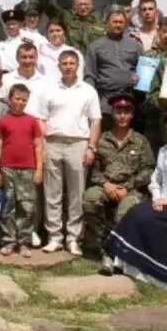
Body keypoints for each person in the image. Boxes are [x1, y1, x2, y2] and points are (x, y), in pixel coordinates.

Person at [105, 107, 167, 288]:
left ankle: (161, 271)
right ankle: (119, 259)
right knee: (134, 212)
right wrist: (157, 197)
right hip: (162, 200)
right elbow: (156, 178)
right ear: (166, 126)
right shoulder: (163, 150)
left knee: (144, 217)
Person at [36, 50, 102, 254]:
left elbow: (95, 120)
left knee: (76, 193)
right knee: (52, 192)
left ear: (78, 65)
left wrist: (91, 146)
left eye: (72, 63)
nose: (68, 66)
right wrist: (43, 146)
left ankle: (73, 237)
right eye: (64, 63)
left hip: (78, 143)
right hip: (53, 142)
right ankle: (54, 236)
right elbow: (41, 120)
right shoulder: (49, 90)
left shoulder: (88, 91)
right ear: (58, 66)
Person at [82, 95, 155, 255]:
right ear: (112, 113)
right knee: (90, 199)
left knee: (125, 210)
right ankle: (98, 241)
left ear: (132, 114)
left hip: (131, 189)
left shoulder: (140, 141)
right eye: (118, 111)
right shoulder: (102, 140)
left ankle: (119, 250)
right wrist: (106, 185)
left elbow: (148, 170)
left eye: (127, 112)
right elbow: (94, 169)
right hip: (105, 186)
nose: (122, 116)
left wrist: (127, 187)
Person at [0, 82, 44, 257]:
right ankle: (8, 241)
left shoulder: (32, 121)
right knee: (8, 205)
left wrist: (39, 170)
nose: (20, 102)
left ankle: (24, 242)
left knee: (27, 206)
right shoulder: (2, 121)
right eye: (17, 98)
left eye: (24, 100)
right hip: (7, 168)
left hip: (28, 169)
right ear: (9, 99)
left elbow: (38, 146)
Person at [86, 8, 144, 111]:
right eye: (115, 22)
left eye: (121, 22)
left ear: (125, 24)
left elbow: (144, 71)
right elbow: (89, 75)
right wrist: (91, 99)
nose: (118, 25)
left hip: (129, 97)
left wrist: (139, 79)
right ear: (107, 23)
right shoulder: (95, 46)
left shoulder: (136, 46)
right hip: (105, 99)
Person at [32, 0, 104, 49]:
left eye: (86, 3)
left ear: (92, 2)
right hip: (70, 59)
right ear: (75, 3)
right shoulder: (66, 16)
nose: (83, 7)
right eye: (80, 4)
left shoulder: (101, 19)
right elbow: (48, 6)